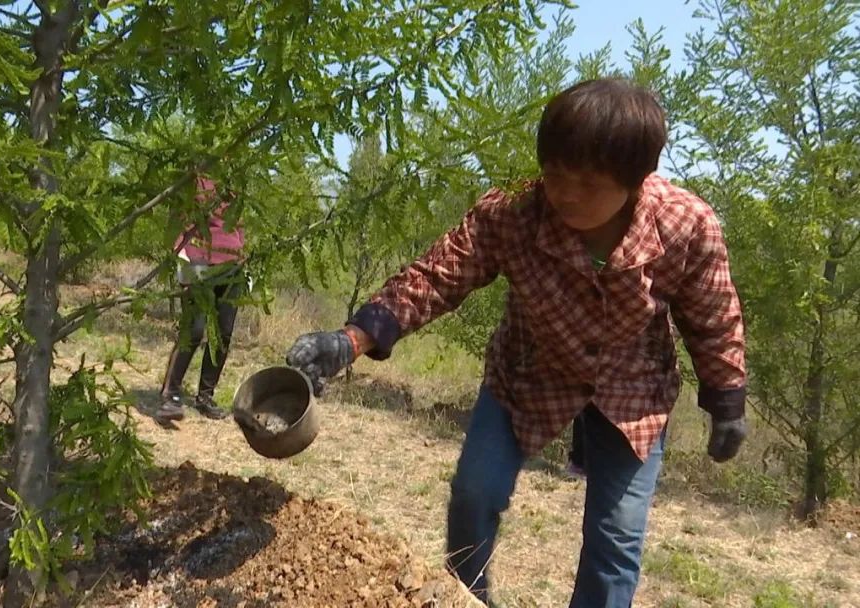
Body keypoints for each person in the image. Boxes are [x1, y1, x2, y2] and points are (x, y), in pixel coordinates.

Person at [285, 78, 747, 607]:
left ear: (636, 180)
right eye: (555, 175)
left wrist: (726, 399)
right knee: (473, 495)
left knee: (615, 537)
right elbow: (437, 275)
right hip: (527, 374)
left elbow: (714, 317)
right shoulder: (512, 213)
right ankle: (465, 599)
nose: (565, 194)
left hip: (632, 390)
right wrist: (352, 339)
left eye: (588, 183)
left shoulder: (688, 227)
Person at [155, 175, 246, 424]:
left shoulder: (235, 180)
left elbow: (239, 223)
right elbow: (177, 223)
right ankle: (170, 395)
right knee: (193, 331)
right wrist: (182, 262)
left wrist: (241, 252)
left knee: (223, 334)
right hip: (198, 263)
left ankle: (205, 396)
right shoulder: (193, 179)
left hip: (231, 267)